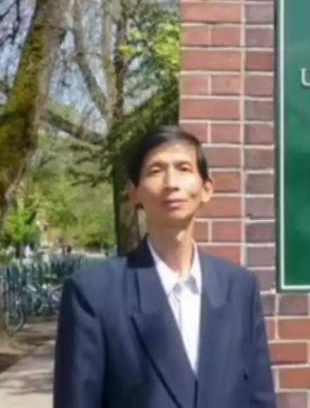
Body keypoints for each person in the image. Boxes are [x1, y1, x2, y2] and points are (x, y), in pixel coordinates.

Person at [54, 126, 276, 408]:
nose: (171, 182)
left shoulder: (240, 288)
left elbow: (260, 396)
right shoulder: (93, 294)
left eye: (184, 168)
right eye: (155, 170)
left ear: (207, 189)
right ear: (134, 192)